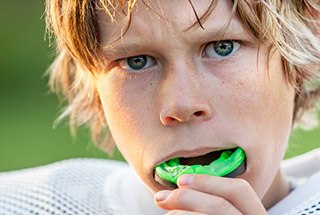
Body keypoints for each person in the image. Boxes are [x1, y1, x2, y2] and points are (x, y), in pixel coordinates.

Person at [1, 0, 320, 214]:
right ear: (93, 86)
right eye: (136, 61)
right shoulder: (35, 203)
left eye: (221, 48)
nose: (181, 104)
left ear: (306, 43)